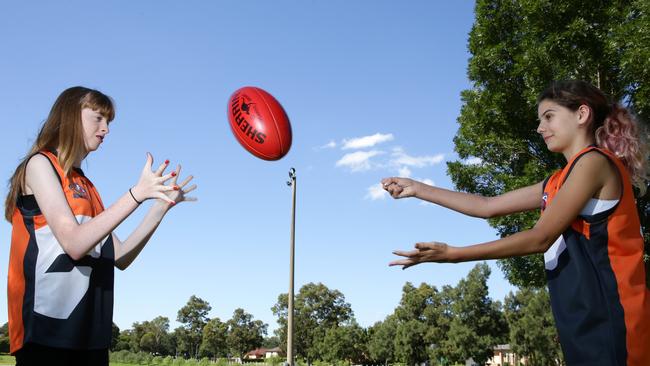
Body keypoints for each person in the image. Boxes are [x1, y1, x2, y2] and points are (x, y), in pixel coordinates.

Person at [382, 80, 649, 365]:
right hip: (583, 324)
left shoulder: (594, 163)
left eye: (549, 116)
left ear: (581, 115)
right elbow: (488, 206)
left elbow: (540, 238)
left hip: (615, 320)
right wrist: (416, 188)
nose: (540, 128)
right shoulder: (558, 180)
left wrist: (454, 255)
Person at [4, 86, 197, 365]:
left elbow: (120, 256)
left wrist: (160, 206)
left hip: (89, 335)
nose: (106, 129)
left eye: (109, 122)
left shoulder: (88, 187)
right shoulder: (40, 165)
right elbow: (74, 243)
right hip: (45, 332)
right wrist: (136, 194)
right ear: (70, 116)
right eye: (98, 118)